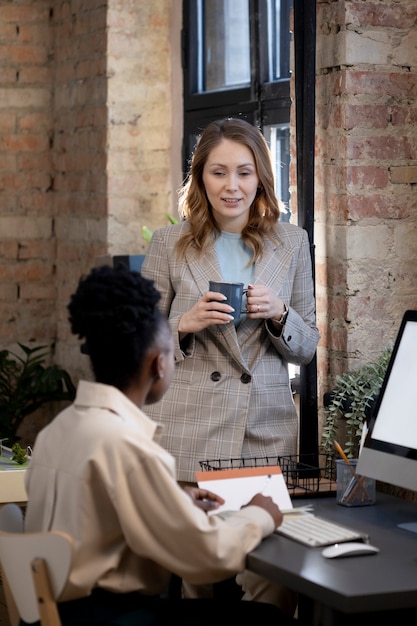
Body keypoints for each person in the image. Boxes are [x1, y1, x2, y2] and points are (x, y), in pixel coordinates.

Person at [22, 264, 302, 626]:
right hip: (111, 617)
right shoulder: (128, 446)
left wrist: (173, 502)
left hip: (62, 613)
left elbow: (96, 512)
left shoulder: (58, 430)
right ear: (158, 364)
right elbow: (207, 557)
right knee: (268, 620)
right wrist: (261, 513)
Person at [141, 117, 320, 483]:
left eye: (244, 173)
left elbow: (306, 348)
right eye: (219, 172)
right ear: (201, 176)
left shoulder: (293, 242)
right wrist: (185, 324)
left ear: (260, 178)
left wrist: (281, 314)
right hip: (187, 428)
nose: (232, 186)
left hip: (264, 432)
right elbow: (139, 343)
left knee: (264, 535)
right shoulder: (168, 242)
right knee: (189, 539)